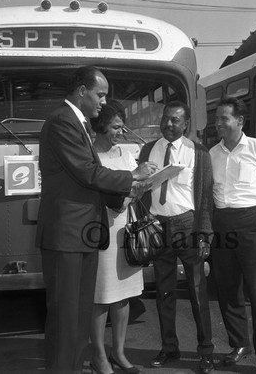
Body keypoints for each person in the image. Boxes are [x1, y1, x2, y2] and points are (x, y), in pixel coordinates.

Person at [36, 66, 155, 374]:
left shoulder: (77, 123)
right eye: (100, 94)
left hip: (80, 234)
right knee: (66, 318)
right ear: (81, 92)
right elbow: (87, 172)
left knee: (76, 317)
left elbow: (86, 180)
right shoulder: (63, 121)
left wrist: (130, 187)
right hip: (68, 235)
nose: (104, 101)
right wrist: (133, 175)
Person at [138, 101, 215, 374]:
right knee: (164, 292)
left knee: (197, 293)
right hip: (159, 228)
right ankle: (169, 347)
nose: (169, 124)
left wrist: (204, 234)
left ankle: (206, 352)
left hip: (188, 226)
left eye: (175, 120)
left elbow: (205, 197)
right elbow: (140, 190)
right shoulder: (149, 150)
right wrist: (144, 216)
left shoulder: (199, 152)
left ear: (186, 125)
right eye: (166, 119)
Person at [209, 97, 256, 374]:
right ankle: (239, 344)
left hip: (252, 221)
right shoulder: (212, 153)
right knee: (227, 289)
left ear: (240, 121)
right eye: (216, 119)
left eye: (223, 119)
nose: (218, 124)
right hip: (222, 223)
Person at [89, 101, 145, 374]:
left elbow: (135, 184)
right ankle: (99, 357)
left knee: (124, 295)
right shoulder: (89, 155)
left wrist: (144, 184)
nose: (120, 133)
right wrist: (129, 191)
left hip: (126, 228)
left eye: (122, 127)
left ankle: (118, 352)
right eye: (115, 127)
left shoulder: (124, 153)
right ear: (100, 126)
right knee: (101, 296)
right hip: (101, 230)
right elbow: (96, 189)